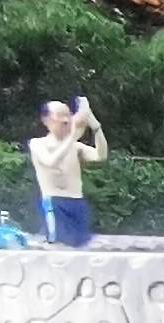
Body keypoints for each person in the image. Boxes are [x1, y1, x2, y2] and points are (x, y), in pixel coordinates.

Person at [25, 98, 107, 248]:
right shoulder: (37, 144)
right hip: (55, 202)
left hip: (77, 202)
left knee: (81, 247)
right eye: (60, 114)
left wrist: (95, 127)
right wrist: (72, 137)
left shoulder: (75, 146)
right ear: (46, 120)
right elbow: (50, 162)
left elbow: (100, 156)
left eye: (68, 114)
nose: (66, 119)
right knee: (58, 247)